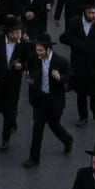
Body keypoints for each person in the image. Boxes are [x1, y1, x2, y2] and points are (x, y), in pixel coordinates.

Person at [23, 32, 73, 168]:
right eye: (36, 49)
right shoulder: (35, 58)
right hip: (39, 100)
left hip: (54, 101)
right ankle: (34, 158)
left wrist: (60, 78)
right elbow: (30, 69)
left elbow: (70, 76)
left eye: (40, 50)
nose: (37, 52)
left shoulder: (60, 61)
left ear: (48, 49)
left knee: (54, 125)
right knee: (37, 128)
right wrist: (30, 78)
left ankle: (68, 140)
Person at [60, 0, 95, 127]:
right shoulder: (75, 22)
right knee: (81, 92)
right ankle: (83, 117)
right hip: (79, 64)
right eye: (91, 13)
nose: (94, 15)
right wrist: (78, 44)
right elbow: (64, 38)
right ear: (84, 12)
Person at [0, 15, 30, 152]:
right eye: (15, 33)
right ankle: (12, 119)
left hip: (14, 82)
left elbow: (29, 61)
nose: (18, 35)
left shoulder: (23, 44)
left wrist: (22, 66)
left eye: (19, 32)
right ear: (8, 33)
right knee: (1, 107)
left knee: (9, 109)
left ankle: (5, 139)